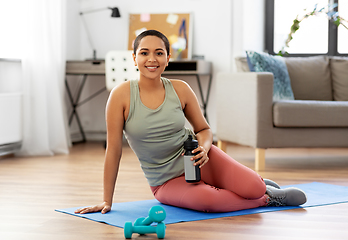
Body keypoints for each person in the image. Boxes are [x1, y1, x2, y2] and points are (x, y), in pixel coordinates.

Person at [75, 30, 306, 214]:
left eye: (159, 53)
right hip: (165, 181)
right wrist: (107, 200)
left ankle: (258, 186)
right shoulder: (120, 95)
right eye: (144, 53)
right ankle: (267, 199)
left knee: (252, 187)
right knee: (208, 201)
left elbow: (203, 129)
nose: (152, 59)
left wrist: (204, 149)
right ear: (134, 58)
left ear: (168, 58)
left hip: (198, 159)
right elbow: (113, 150)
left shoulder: (181, 89)